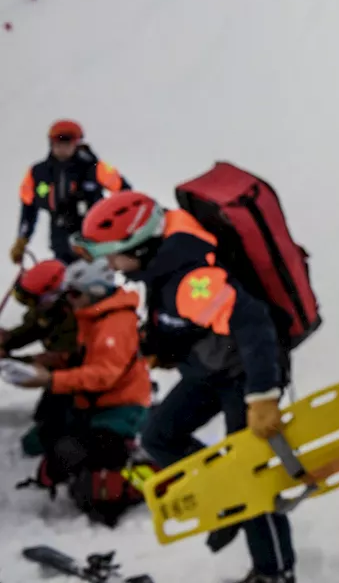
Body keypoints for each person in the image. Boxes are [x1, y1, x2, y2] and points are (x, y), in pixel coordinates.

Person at [76, 191, 296, 583]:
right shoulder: (164, 264)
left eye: (113, 253)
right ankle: (226, 495)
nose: (109, 263)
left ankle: (275, 572)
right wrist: (162, 347)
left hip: (243, 373)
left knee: (249, 474)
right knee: (159, 435)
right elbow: (180, 320)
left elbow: (253, 323)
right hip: (209, 368)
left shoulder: (192, 280)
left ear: (141, 248)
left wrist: (263, 395)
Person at [11, 259, 151, 526]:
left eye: (75, 294)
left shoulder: (114, 324)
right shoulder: (91, 316)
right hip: (92, 402)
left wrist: (51, 380)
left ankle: (135, 475)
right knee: (44, 440)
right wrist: (50, 362)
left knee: (85, 474)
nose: (69, 300)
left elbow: (103, 375)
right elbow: (85, 357)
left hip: (121, 405)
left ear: (96, 291)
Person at [12, 120, 129, 265]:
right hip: (60, 243)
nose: (62, 148)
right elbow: (28, 208)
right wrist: (22, 239)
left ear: (77, 143)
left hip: (94, 243)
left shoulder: (95, 168)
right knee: (62, 282)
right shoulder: (37, 173)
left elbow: (125, 194)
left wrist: (119, 229)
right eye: (58, 143)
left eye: (67, 143)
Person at [0, 259, 77, 456]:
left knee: (33, 444)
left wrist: (12, 362)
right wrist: (6, 340)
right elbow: (31, 328)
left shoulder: (75, 316)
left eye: (33, 301)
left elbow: (60, 359)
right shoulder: (49, 309)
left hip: (82, 381)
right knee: (42, 415)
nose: (31, 307)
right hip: (64, 373)